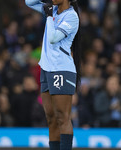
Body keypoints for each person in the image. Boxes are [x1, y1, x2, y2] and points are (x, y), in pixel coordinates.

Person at [25, 0, 80, 149]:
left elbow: (53, 38)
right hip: (46, 68)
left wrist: (49, 16)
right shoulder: (53, 10)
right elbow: (29, 2)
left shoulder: (72, 17)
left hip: (61, 69)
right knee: (51, 118)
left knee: (63, 117)